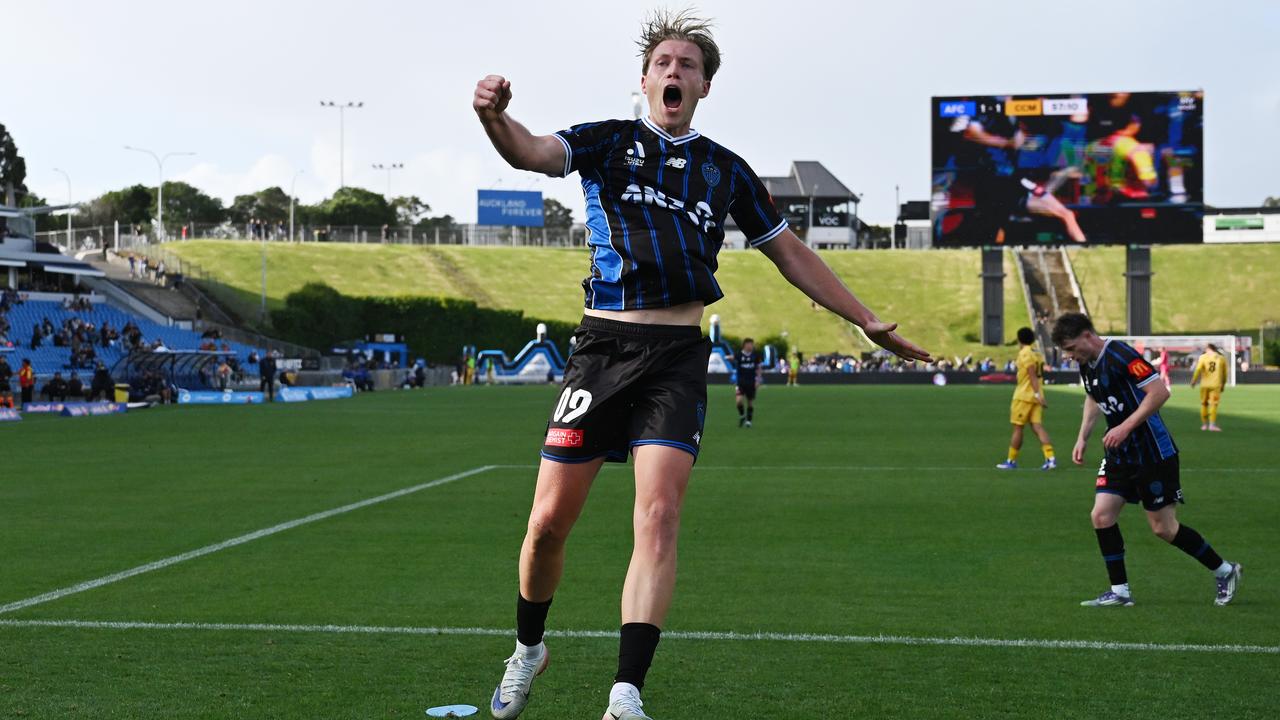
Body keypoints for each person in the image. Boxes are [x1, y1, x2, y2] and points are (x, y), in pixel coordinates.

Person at [473, 11, 931, 720]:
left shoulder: (727, 171)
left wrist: (863, 318)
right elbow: (529, 151)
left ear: (705, 85)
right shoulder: (605, 143)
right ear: (645, 79)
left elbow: (791, 252)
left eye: (688, 64)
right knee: (546, 528)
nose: (674, 73)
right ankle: (529, 648)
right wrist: (493, 118)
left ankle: (626, 693)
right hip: (601, 351)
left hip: (678, 358)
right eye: (664, 63)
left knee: (658, 518)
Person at [1051, 313, 1241, 608]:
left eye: (1073, 348)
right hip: (1119, 453)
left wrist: (1125, 426)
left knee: (1163, 529)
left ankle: (1225, 571)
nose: (1071, 356)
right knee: (1101, 516)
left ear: (1088, 336)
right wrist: (1082, 437)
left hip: (1151, 452)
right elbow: (1093, 397)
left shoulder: (1122, 355)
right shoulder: (1087, 363)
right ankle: (1120, 592)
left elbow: (1159, 392)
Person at [996, 327, 1057, 470]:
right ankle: (1051, 458)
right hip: (1036, 395)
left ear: (1019, 339)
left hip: (1024, 396)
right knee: (1037, 426)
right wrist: (1039, 395)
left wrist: (1036, 394)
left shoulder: (1025, 353)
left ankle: (1011, 461)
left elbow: (1031, 374)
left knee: (1018, 428)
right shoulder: (1037, 353)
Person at [1190, 343, 1228, 432]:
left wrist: (1194, 381)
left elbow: (1198, 369)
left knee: (1204, 404)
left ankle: (1204, 425)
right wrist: (1223, 384)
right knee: (1214, 404)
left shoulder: (1203, 357)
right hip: (1216, 385)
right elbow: (1225, 373)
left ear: (1208, 349)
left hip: (1204, 385)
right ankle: (1212, 425)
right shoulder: (1221, 358)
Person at [733, 337, 762, 428]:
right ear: (745, 345)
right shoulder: (739, 355)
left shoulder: (755, 355)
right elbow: (732, 358)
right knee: (739, 401)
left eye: (752, 344)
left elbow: (758, 368)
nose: (751, 346)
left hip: (751, 382)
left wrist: (758, 380)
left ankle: (749, 421)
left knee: (750, 402)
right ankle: (742, 415)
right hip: (740, 382)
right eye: (750, 344)